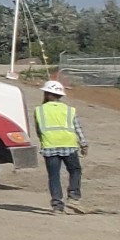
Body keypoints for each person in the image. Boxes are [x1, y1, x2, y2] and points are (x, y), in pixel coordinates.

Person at [34, 78, 87, 213]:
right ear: (61, 95)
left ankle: (57, 206)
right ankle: (74, 197)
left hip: (49, 146)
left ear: (46, 94)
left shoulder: (39, 110)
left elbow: (39, 130)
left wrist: (44, 141)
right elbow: (77, 127)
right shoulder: (69, 110)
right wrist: (84, 144)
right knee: (75, 171)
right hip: (69, 145)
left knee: (54, 176)